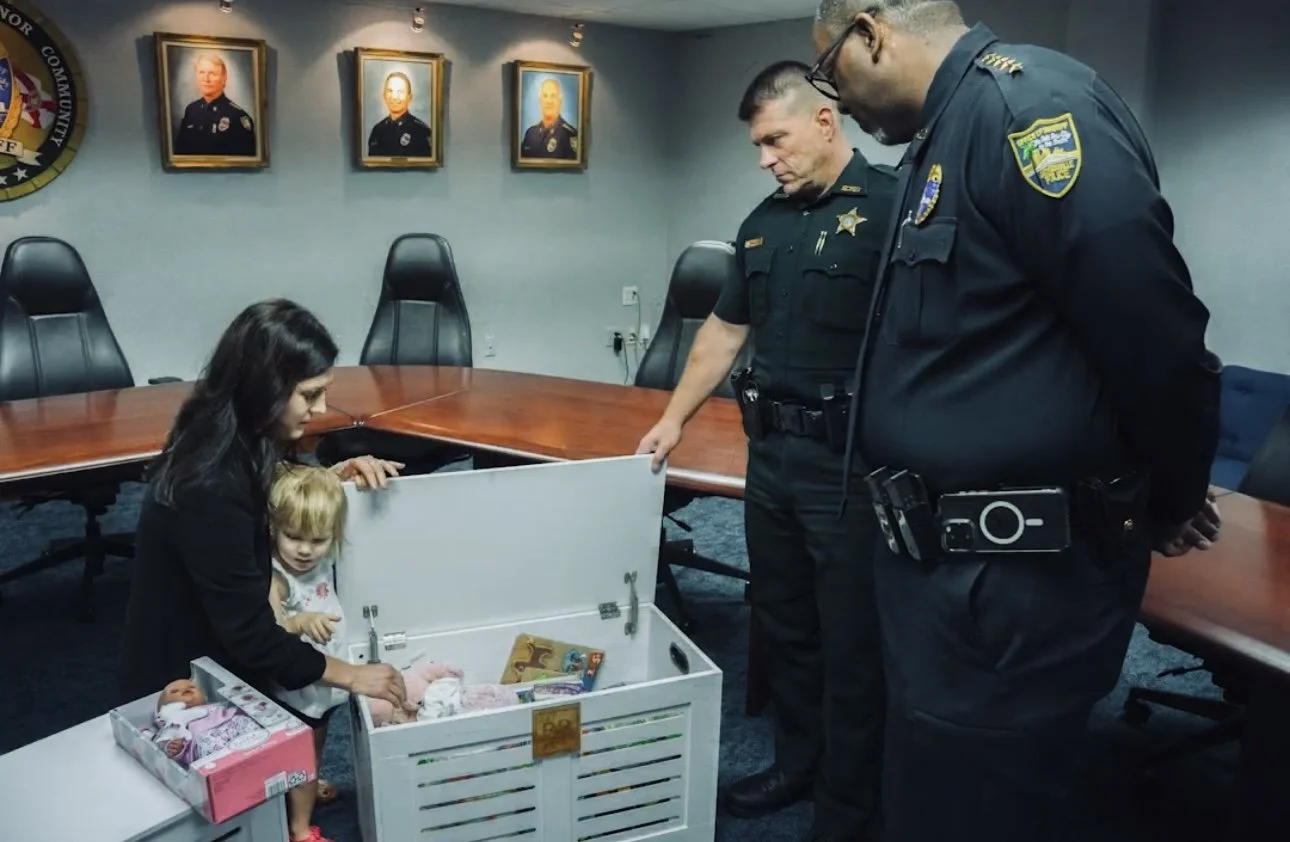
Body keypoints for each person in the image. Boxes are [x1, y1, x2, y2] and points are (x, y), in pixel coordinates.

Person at [807, 2, 1223, 840]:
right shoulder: (946, 129)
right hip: (942, 574)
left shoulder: (1031, 114)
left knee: (981, 805)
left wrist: (1169, 498)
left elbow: (1156, 337)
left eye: (829, 72)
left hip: (1009, 582)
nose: (836, 100)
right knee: (932, 790)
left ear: (870, 29)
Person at [636, 60, 896, 842]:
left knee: (852, 639)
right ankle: (796, 764)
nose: (764, 158)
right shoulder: (761, 222)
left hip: (850, 466)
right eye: (756, 145)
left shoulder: (892, 211)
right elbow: (723, 331)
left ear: (825, 120)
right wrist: (675, 418)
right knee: (783, 622)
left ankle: (849, 806)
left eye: (773, 139)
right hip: (773, 459)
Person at [120, 299, 407, 842]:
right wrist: (351, 674)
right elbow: (252, 637)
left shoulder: (224, 427)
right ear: (265, 386)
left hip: (211, 649)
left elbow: (271, 480)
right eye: (309, 395)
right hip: (185, 685)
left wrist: (329, 479)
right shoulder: (209, 483)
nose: (319, 409)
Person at [266, 464, 351, 832]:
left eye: (317, 540)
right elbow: (272, 628)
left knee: (316, 747)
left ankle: (309, 786)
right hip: (296, 689)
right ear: (273, 529)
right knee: (301, 758)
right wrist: (299, 622)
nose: (304, 550)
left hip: (322, 682)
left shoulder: (322, 555)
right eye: (293, 537)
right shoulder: (277, 575)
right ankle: (300, 830)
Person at [173, 52, 257, 157]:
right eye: (201, 72)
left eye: (212, 74)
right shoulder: (191, 110)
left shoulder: (238, 116)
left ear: (224, 77)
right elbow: (180, 151)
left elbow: (246, 161)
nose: (206, 79)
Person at [367, 71, 432, 157]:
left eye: (400, 92)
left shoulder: (421, 131)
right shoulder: (378, 130)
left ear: (409, 97)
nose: (394, 97)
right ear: (384, 95)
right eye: (390, 91)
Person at [520, 78, 578, 159]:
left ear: (560, 102)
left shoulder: (569, 135)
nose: (549, 101)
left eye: (553, 96)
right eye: (545, 96)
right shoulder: (530, 134)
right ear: (540, 101)